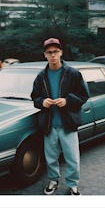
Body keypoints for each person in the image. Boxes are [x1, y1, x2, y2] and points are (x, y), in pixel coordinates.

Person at [31, 37, 88, 195]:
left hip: (68, 124)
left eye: (56, 51)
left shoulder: (73, 74)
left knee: (73, 158)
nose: (53, 55)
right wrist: (42, 102)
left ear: (61, 52)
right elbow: (34, 98)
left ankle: (73, 185)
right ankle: (53, 180)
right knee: (50, 158)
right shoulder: (41, 76)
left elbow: (84, 95)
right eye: (49, 52)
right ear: (45, 55)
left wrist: (67, 100)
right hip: (49, 125)